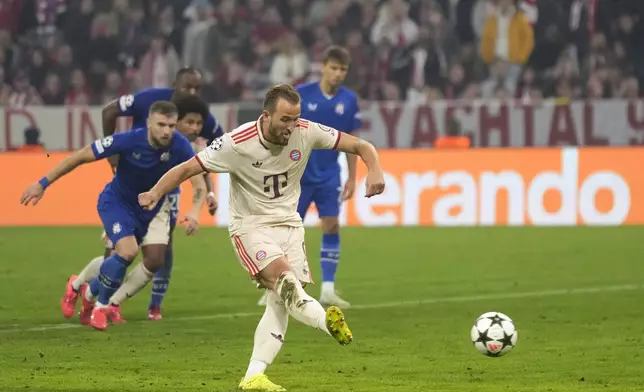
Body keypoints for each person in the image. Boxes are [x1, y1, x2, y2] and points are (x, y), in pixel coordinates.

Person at [137, 84, 385, 391]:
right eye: (285, 120)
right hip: (250, 226)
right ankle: (327, 322)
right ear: (266, 116)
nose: (291, 127)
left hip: (290, 226)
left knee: (280, 304)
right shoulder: (236, 143)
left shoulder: (306, 131)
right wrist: (155, 192)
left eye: (296, 118)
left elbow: (362, 146)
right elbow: (187, 168)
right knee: (286, 282)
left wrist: (374, 170)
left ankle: (254, 375)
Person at [21, 101, 197, 331]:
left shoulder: (180, 145)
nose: (166, 131)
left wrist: (197, 206)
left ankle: (86, 290)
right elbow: (82, 155)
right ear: (149, 123)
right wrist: (43, 183)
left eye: (171, 126)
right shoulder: (128, 140)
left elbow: (196, 170)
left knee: (122, 260)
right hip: (116, 203)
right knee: (127, 252)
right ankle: (101, 308)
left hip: (146, 211)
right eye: (161, 124)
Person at [73, 68, 222, 321]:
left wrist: (208, 192)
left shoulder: (198, 115)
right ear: (175, 84)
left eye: (197, 88)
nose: (192, 93)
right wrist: (112, 153)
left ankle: (126, 305)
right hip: (129, 191)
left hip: (165, 196)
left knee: (159, 255)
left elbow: (209, 155)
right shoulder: (148, 100)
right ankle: (79, 287)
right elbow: (109, 110)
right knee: (119, 255)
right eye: (188, 87)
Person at [258, 45, 361, 308]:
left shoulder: (349, 100)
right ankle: (274, 284)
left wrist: (352, 176)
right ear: (323, 67)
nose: (338, 74)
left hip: (329, 175)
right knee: (288, 232)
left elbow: (351, 141)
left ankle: (327, 289)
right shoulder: (301, 95)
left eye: (343, 70)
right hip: (298, 176)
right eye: (334, 68)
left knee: (332, 225)